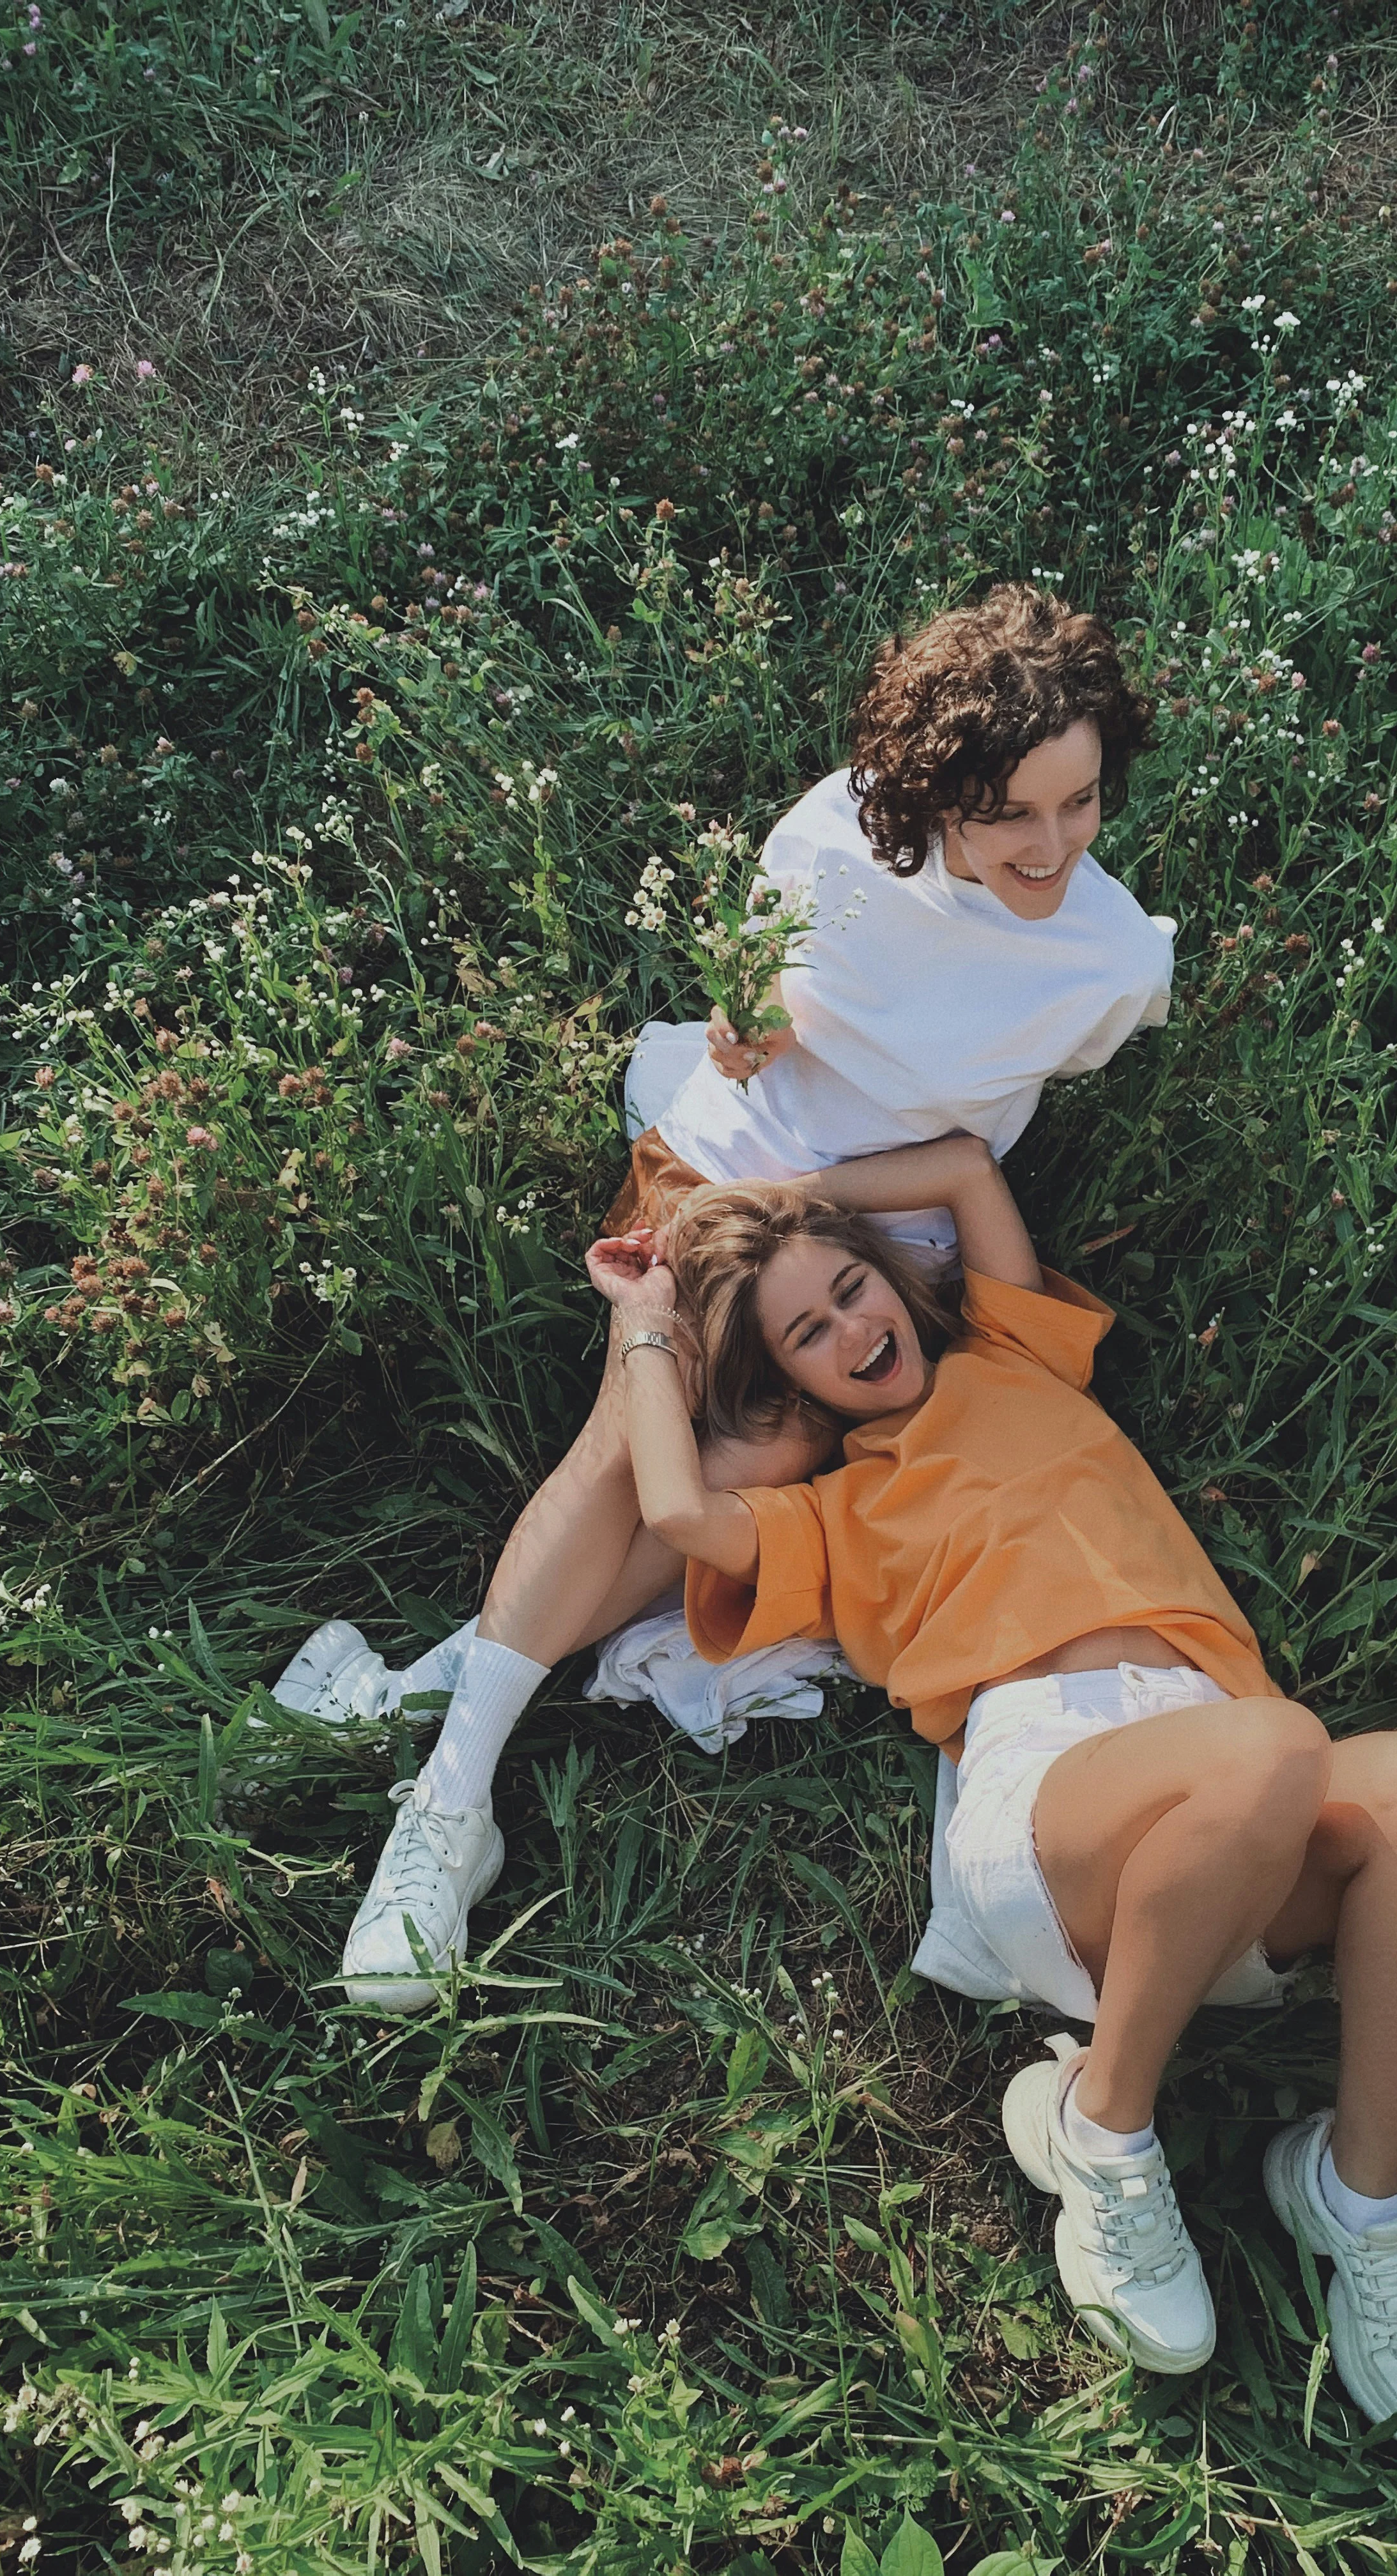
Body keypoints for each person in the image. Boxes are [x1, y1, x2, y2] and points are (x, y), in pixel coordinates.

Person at [274, 585, 1181, 2004]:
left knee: (754, 1458)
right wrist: (737, 1035)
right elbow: (751, 1019)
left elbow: (975, 1120)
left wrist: (850, 1204)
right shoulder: (828, 835)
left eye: (1080, 804)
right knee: (655, 1412)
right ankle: (450, 1804)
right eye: (1011, 813)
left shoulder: (1118, 963)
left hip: (894, 1224)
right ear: (931, 787)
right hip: (731, 1173)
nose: (1052, 847)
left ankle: (482, 1659)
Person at [582, 1134, 1397, 2443]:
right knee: (1280, 1745)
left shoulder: (1015, 1353)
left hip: (1230, 1818)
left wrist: (783, 1201)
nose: (851, 1328)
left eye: (853, 1290)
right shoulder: (836, 1515)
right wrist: (654, 1320)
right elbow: (677, 1514)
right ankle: (1103, 2128)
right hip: (1052, 1813)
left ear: (894, 1279)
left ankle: (1358, 2195)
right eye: (806, 1337)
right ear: (788, 1385)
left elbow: (960, 1171)